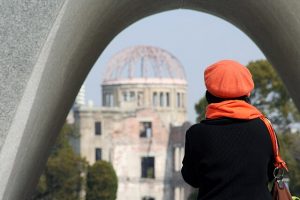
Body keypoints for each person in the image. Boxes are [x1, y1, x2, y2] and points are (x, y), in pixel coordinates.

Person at [181, 60, 275, 200]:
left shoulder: (196, 134)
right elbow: (270, 173)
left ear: (209, 95)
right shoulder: (265, 127)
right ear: (247, 94)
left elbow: (192, 178)